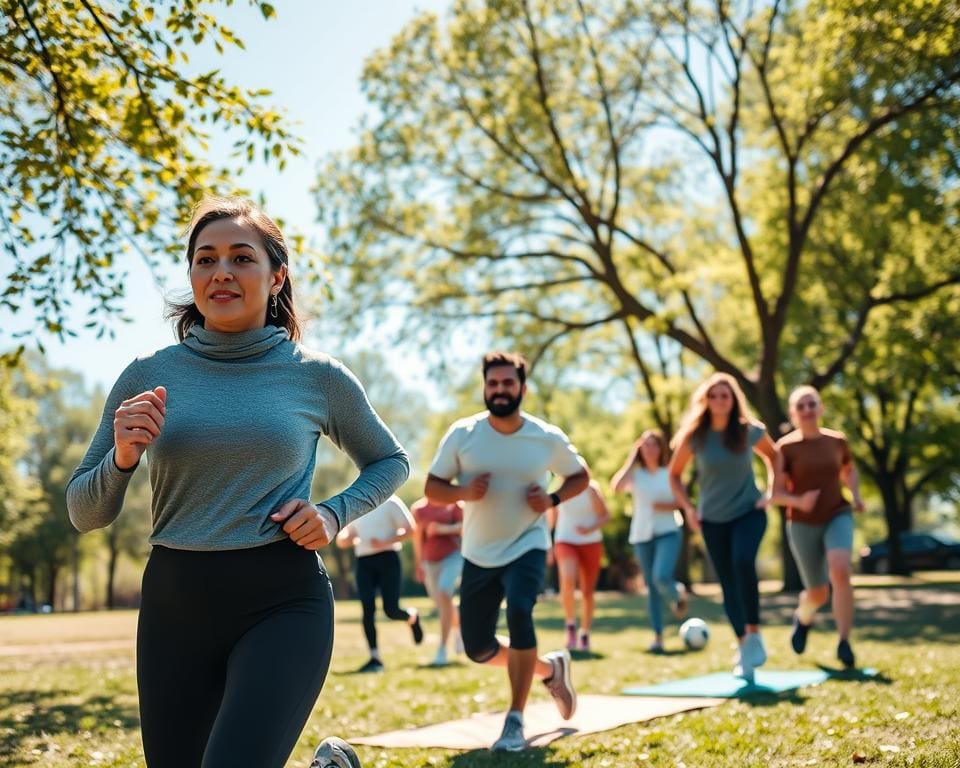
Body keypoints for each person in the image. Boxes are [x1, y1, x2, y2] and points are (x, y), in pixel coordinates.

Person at [65, 196, 409, 768]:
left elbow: (390, 460)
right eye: (205, 259)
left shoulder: (317, 376)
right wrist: (123, 457)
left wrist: (333, 513)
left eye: (240, 257)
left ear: (276, 277)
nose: (221, 271)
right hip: (175, 607)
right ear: (193, 276)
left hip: (281, 599)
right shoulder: (148, 374)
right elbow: (85, 512)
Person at [424, 351, 589, 752]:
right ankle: (551, 670)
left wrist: (551, 500)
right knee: (479, 647)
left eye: (508, 384)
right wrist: (463, 492)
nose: (500, 390)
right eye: (493, 384)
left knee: (519, 610)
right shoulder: (463, 434)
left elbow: (580, 475)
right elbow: (432, 487)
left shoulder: (544, 436)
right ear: (485, 387)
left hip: (528, 544)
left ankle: (514, 720)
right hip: (478, 551)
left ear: (522, 388)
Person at [668, 372, 780, 682]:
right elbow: (674, 474)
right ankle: (744, 647)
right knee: (728, 585)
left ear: (734, 400)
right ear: (706, 400)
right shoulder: (695, 437)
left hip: (748, 511)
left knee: (743, 562)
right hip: (712, 520)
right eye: (714, 395)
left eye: (725, 396)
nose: (719, 401)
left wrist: (772, 493)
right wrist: (688, 508)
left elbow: (776, 457)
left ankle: (754, 633)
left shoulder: (749, 431)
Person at [775, 385, 865, 668]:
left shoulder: (837, 441)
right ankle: (803, 618)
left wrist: (856, 495)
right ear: (793, 413)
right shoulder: (785, 447)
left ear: (821, 407)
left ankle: (844, 642)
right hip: (801, 522)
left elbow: (848, 469)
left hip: (837, 513)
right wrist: (798, 501)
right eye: (800, 406)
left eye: (811, 404)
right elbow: (775, 493)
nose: (807, 410)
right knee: (818, 592)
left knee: (840, 569)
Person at [612, 429, 689, 654]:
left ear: (661, 448)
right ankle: (658, 636)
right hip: (641, 535)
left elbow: (683, 502)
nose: (649, 449)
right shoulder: (636, 475)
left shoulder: (670, 473)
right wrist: (630, 459)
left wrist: (665, 506)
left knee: (660, 576)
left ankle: (678, 593)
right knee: (652, 589)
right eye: (645, 445)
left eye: (653, 444)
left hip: (668, 531)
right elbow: (616, 487)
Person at [335, 494, 424, 672]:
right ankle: (375, 658)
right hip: (363, 562)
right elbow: (346, 537)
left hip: (388, 559)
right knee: (367, 609)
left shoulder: (391, 502)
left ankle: (412, 617)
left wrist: (384, 542)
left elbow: (411, 529)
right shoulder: (357, 503)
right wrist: (344, 539)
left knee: (391, 610)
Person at [547, 478, 610, 653]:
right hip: (565, 541)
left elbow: (605, 515)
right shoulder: (558, 489)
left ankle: (585, 632)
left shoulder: (591, 488)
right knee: (567, 580)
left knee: (587, 591)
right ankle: (570, 626)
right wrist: (547, 546)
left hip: (591, 542)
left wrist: (589, 529)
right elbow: (550, 521)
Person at [411, 496, 464, 666]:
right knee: (442, 602)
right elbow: (417, 538)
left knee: (443, 593)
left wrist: (442, 529)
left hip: (453, 557)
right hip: (429, 561)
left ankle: (442, 649)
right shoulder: (419, 508)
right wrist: (419, 564)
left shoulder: (454, 504)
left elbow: (466, 528)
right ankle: (458, 630)